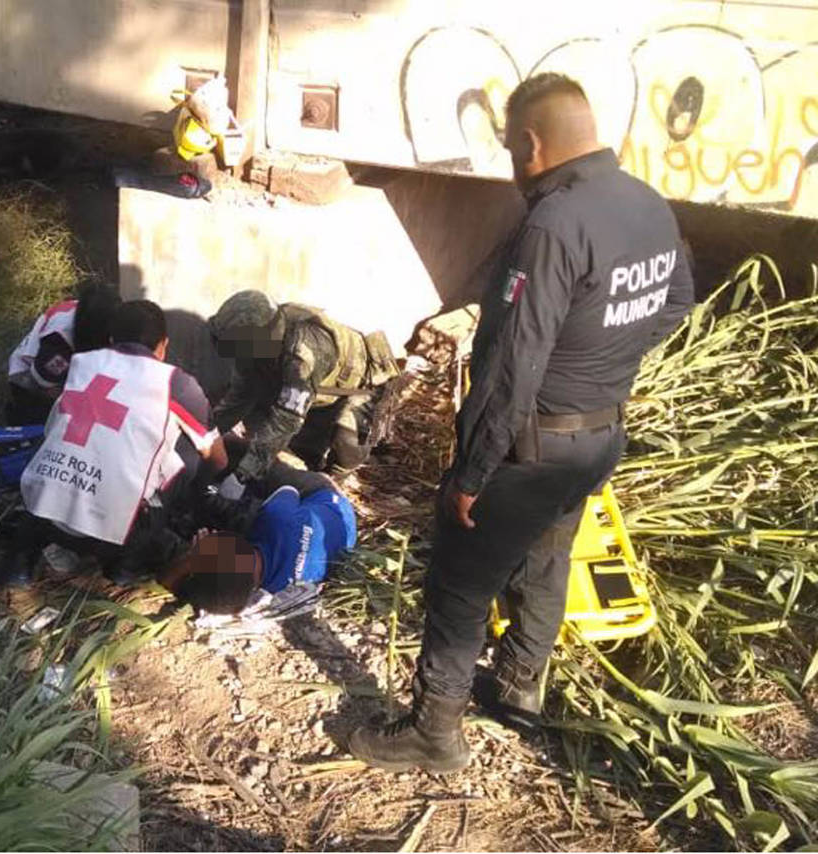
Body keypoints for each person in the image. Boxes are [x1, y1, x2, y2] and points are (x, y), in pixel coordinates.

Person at [348, 73, 694, 774]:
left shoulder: (553, 223)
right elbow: (678, 299)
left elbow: (512, 366)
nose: (512, 166)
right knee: (546, 554)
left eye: (511, 150)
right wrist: (603, 361)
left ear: (532, 144)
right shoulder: (646, 202)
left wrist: (472, 474)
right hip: (598, 439)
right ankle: (519, 687)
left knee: (459, 582)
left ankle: (433, 735)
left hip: (531, 447)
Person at [8, 300, 229, 586]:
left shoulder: (82, 364)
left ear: (111, 340)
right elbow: (219, 459)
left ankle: (19, 566)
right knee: (188, 452)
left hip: (42, 511)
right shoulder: (176, 383)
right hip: (113, 535)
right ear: (163, 345)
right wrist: (205, 492)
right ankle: (124, 571)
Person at [208, 291, 395, 489]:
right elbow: (240, 397)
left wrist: (242, 476)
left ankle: (338, 477)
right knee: (303, 454)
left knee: (347, 449)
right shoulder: (259, 345)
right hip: (320, 390)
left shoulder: (303, 355)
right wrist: (205, 434)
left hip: (361, 386)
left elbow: (286, 420)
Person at [160, 466, 356, 614]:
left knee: (255, 498)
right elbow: (288, 492)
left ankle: (231, 471)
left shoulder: (275, 518)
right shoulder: (277, 522)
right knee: (264, 481)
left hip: (330, 514)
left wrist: (192, 557)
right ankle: (237, 456)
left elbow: (165, 580)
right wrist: (200, 555)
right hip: (334, 510)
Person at [5, 283, 121, 424]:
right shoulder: (60, 341)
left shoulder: (90, 310)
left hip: (61, 363)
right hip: (30, 379)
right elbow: (43, 384)